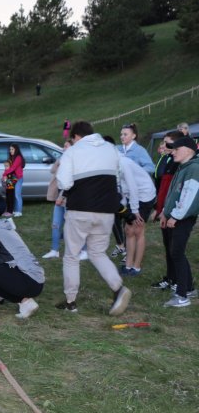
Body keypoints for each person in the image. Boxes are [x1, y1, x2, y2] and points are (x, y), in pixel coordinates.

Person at [55, 121, 131, 316]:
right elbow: (117, 177)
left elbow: (64, 182)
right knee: (98, 253)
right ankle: (118, 288)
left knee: (72, 256)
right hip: (106, 211)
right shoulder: (111, 149)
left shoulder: (72, 151)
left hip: (80, 209)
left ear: (76, 136)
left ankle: (71, 301)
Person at [160, 136, 199, 307]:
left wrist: (176, 215)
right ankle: (189, 287)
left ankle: (182, 296)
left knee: (177, 252)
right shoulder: (183, 167)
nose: (173, 152)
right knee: (176, 251)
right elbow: (174, 193)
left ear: (189, 150)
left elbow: (189, 196)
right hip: (176, 216)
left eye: (176, 149)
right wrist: (164, 212)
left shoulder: (194, 169)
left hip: (183, 218)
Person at [151, 131, 183, 291]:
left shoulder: (178, 163)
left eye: (167, 143)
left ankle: (179, 281)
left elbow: (174, 190)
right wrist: (158, 208)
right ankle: (171, 278)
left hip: (171, 211)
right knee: (167, 246)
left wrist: (165, 209)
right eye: (163, 143)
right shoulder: (169, 160)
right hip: (163, 209)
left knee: (174, 248)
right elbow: (163, 187)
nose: (163, 146)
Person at [117, 155, 156, 276]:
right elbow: (121, 187)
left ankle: (136, 267)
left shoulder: (124, 163)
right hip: (132, 196)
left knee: (138, 230)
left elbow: (133, 187)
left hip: (144, 195)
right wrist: (124, 207)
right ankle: (128, 265)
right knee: (128, 230)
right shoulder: (111, 164)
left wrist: (134, 210)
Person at [2, 143, 25, 216]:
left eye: (12, 149)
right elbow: (8, 168)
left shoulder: (18, 157)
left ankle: (19, 211)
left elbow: (13, 168)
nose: (10, 151)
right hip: (12, 178)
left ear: (16, 150)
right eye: (10, 149)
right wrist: (5, 175)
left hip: (18, 178)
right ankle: (14, 210)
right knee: (11, 195)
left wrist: (4, 174)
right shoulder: (11, 158)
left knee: (17, 194)